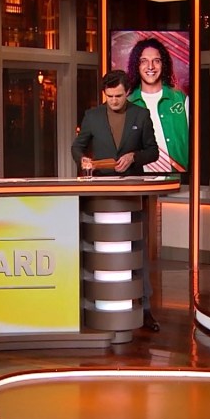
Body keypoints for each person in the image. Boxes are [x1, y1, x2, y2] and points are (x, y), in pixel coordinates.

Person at [72, 70, 161, 330]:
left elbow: (153, 151)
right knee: (98, 248)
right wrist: (82, 159)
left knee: (137, 250)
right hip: (101, 191)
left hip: (132, 193)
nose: (113, 101)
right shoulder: (92, 116)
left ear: (127, 92)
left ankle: (145, 308)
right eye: (109, 96)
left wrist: (134, 157)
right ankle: (94, 304)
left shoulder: (140, 115)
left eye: (118, 96)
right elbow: (77, 146)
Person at [126, 37, 189, 173]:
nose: (150, 66)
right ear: (137, 66)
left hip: (179, 178)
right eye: (144, 61)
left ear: (163, 64)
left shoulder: (180, 99)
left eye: (156, 61)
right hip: (140, 180)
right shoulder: (128, 104)